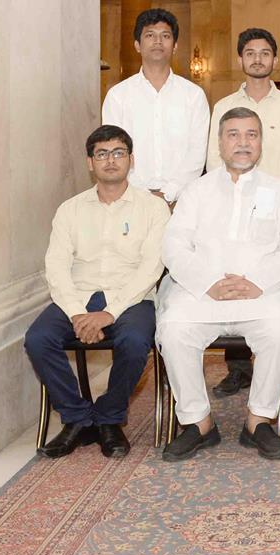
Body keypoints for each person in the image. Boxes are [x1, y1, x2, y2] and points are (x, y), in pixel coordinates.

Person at [156, 108, 280, 462]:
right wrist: (208, 282)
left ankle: (259, 421)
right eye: (234, 135)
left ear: (261, 143)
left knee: (277, 330)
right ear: (220, 143)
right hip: (203, 292)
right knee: (174, 327)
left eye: (251, 135)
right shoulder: (196, 191)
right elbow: (173, 245)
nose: (243, 143)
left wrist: (258, 282)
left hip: (262, 292)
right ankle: (198, 423)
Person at [25, 125, 171, 459]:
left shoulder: (153, 208)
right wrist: (77, 312)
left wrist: (110, 312)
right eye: (101, 154)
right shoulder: (70, 210)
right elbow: (57, 266)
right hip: (78, 294)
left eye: (118, 153)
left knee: (134, 342)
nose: (110, 161)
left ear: (131, 160)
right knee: (38, 339)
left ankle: (109, 418)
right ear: (90, 162)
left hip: (132, 296)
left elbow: (152, 268)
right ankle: (78, 419)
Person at [205, 28, 280, 398]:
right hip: (230, 201)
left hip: (275, 205)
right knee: (233, 274)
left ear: (275, 60)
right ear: (240, 60)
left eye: (265, 53)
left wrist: (270, 195)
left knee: (279, 280)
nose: (258, 59)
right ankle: (238, 369)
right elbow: (213, 156)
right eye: (250, 53)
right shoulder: (223, 107)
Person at [102, 8, 209, 205]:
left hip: (182, 200)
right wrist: (144, 196)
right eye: (150, 35)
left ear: (175, 46)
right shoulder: (118, 96)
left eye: (165, 36)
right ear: (137, 45)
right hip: (130, 199)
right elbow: (115, 151)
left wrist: (169, 193)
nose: (158, 41)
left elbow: (197, 153)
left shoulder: (194, 96)